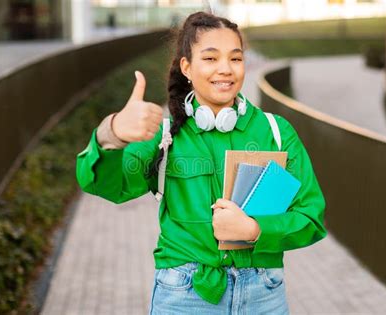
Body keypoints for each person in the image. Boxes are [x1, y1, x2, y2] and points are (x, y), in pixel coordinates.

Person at [75, 11, 327, 314]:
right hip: (185, 295)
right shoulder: (165, 134)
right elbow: (107, 185)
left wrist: (254, 229)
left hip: (264, 295)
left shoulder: (276, 132)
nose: (226, 69)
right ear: (187, 67)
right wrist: (112, 134)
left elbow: (311, 217)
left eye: (235, 58)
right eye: (210, 59)